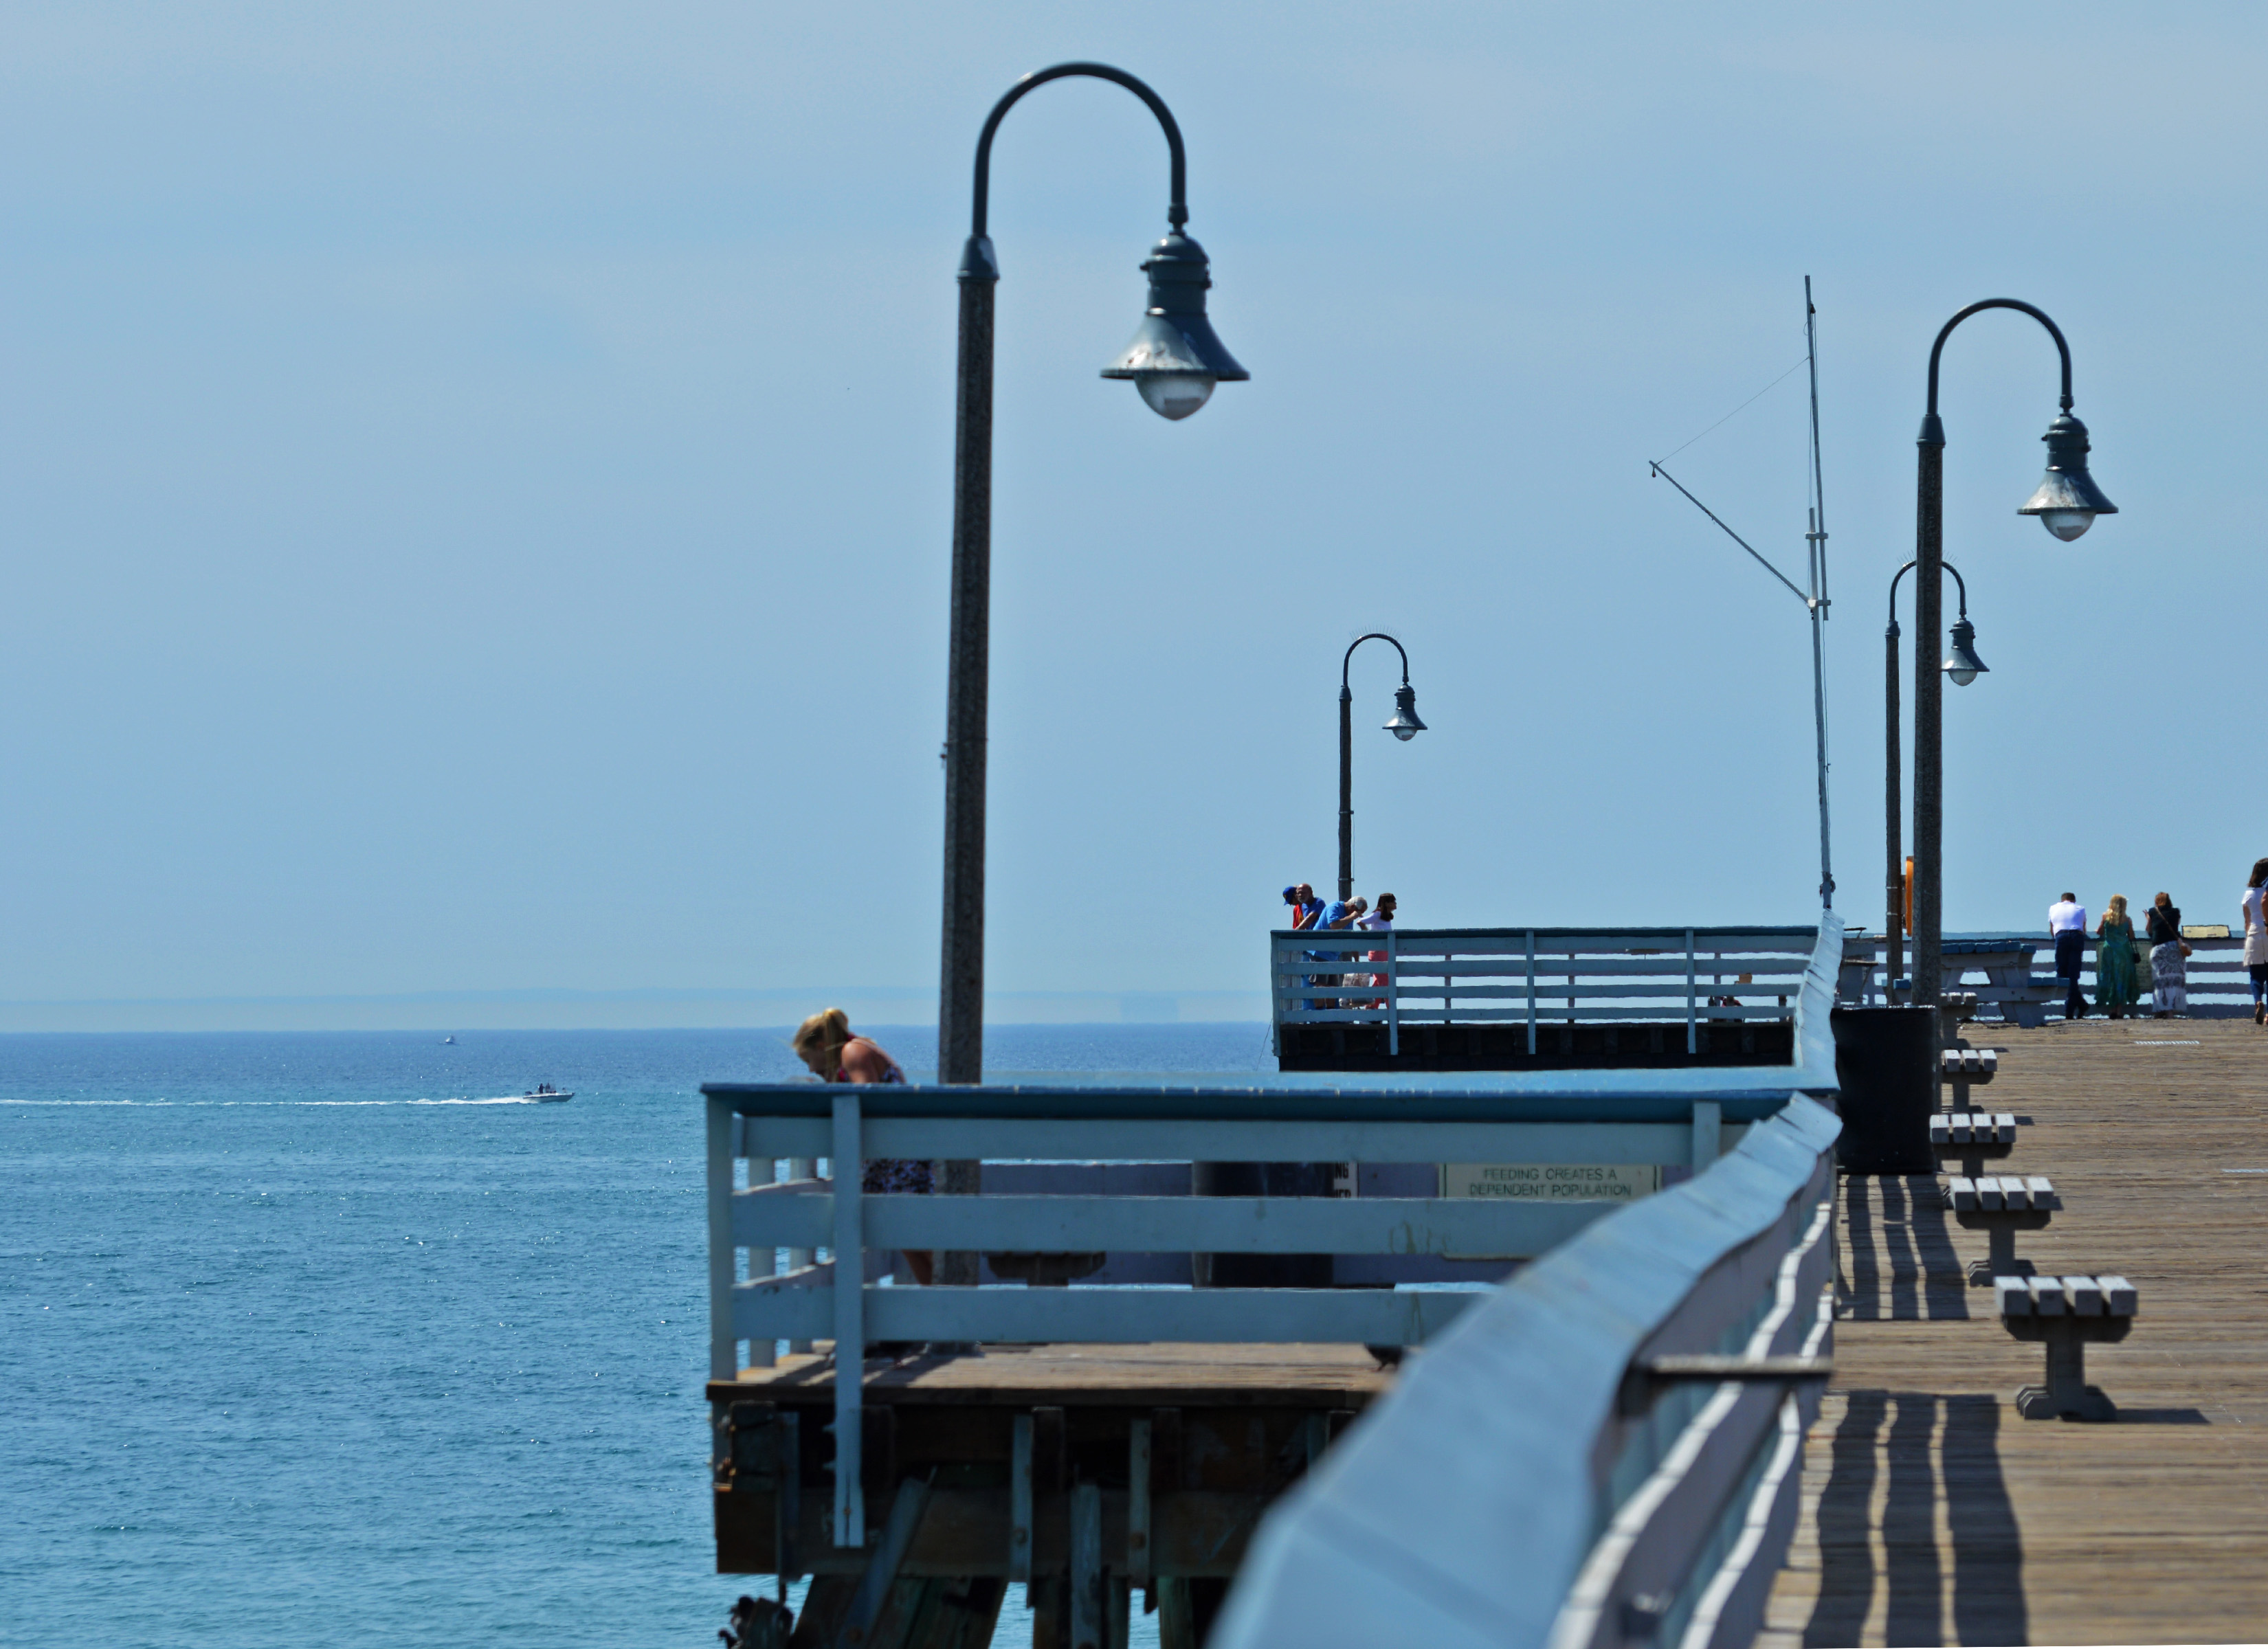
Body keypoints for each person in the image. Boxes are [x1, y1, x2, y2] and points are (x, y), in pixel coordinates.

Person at [791, 1008, 933, 1286]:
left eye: (808, 1059)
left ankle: (957, 1301)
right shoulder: (856, 1051)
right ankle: (944, 1303)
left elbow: (866, 1102)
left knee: (920, 1242)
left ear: (821, 1046)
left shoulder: (853, 1052)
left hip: (900, 1163)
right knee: (909, 1242)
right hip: (892, 1162)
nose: (811, 1069)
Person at [2095, 896, 2139, 1020]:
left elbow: (2100, 932)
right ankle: (2119, 1010)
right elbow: (2131, 936)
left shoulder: (2105, 917)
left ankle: (2111, 1009)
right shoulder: (2127, 920)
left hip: (2109, 950)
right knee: (2121, 978)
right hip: (2123, 951)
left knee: (2109, 977)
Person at [2146, 892, 2190, 1018]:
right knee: (2174, 981)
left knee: (2160, 981)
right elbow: (2176, 925)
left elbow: (2149, 930)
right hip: (2174, 950)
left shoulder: (2153, 911)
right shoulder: (2176, 912)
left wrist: (2148, 919)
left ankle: (2160, 1010)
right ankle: (2170, 1012)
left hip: (2159, 949)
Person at [2048, 891, 2089, 1021]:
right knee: (2073, 974)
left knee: (2062, 973)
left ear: (2062, 900)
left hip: (2061, 936)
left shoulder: (2053, 908)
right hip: (2076, 936)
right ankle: (2078, 1006)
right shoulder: (2080, 908)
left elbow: (2052, 930)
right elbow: (2084, 929)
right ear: (2073, 901)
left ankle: (2072, 1009)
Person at [1355, 893, 1395, 1010]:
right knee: (1386, 982)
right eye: (1393, 901)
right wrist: (1368, 933)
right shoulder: (1377, 915)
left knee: (1378, 982)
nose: (1395, 904)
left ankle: (1370, 1009)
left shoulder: (1385, 917)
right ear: (1386, 903)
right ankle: (1391, 1009)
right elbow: (1360, 921)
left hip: (1384, 952)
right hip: (1377, 952)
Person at [2245, 859, 2268, 1023]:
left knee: (2255, 976)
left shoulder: (2249, 895)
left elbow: (2247, 922)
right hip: (2267, 930)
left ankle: (2258, 1001)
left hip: (2253, 934)